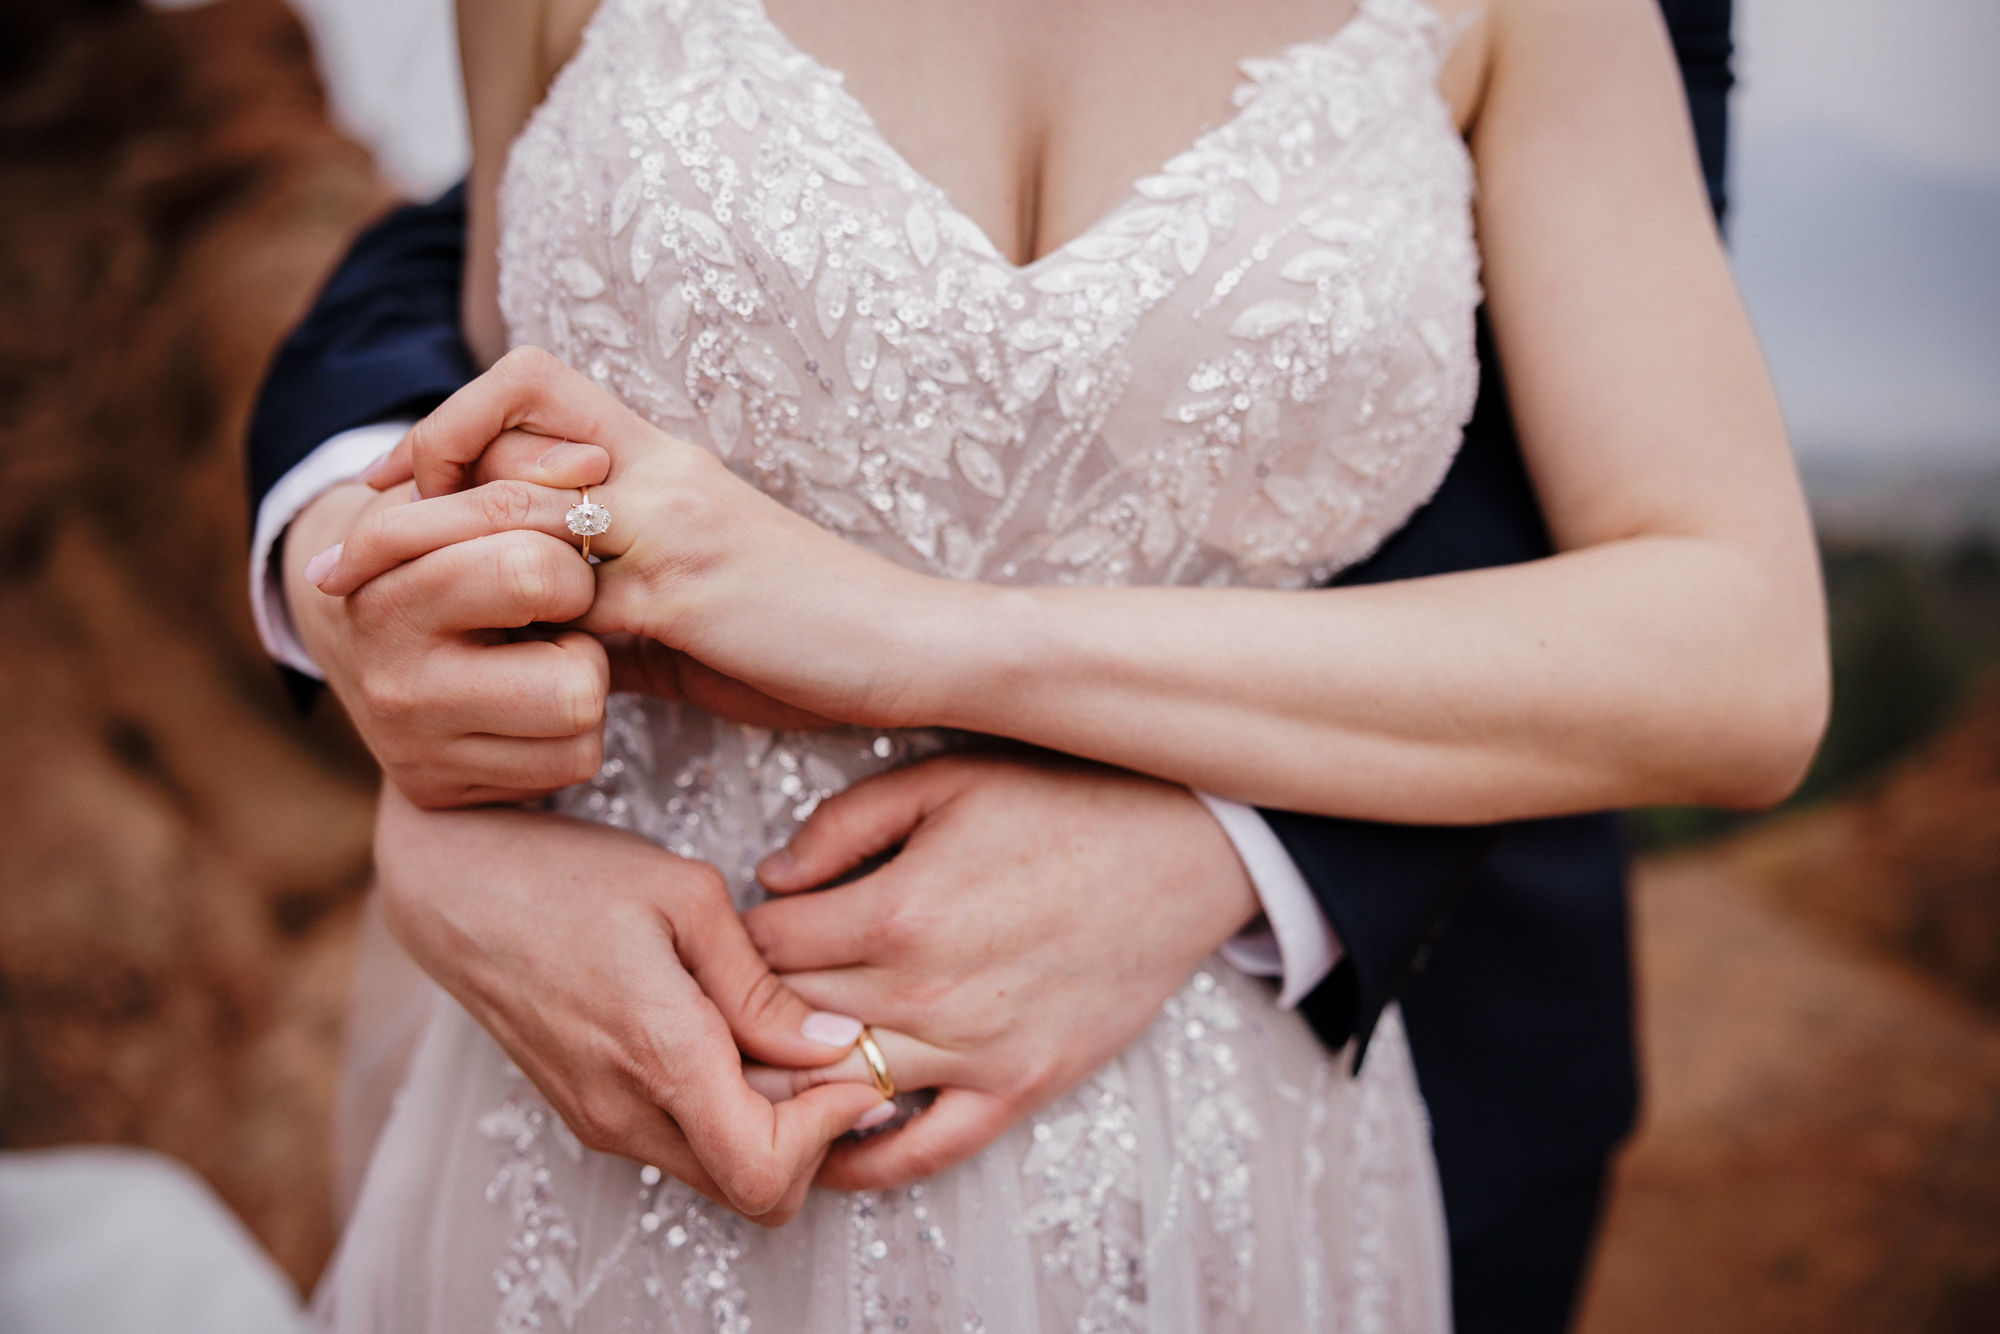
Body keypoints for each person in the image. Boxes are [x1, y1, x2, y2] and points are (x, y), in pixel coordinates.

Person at [247, 0, 1809, 1328]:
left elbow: (1732, 640)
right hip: (625, 1084)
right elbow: (501, 407)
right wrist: (441, 793)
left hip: (1243, 1138)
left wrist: (922, 640)